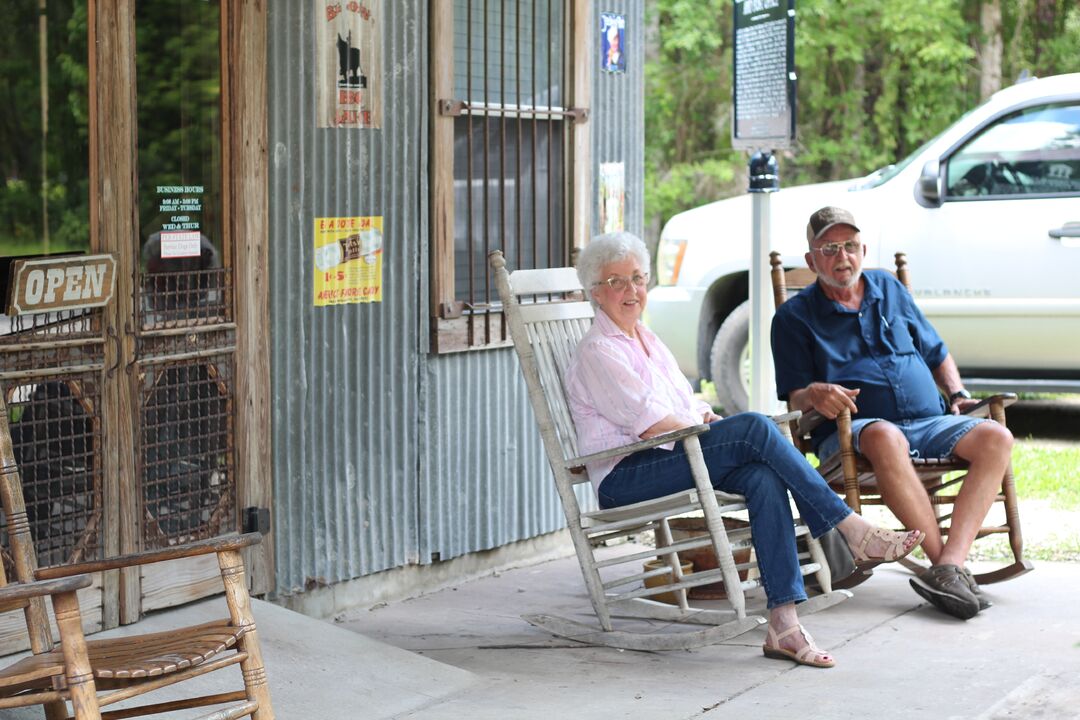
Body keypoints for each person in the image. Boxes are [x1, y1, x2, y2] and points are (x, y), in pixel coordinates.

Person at [564, 231, 922, 668]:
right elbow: (653, 423)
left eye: (637, 278)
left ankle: (783, 624)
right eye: (616, 281)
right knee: (752, 427)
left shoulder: (645, 339)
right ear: (595, 293)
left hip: (668, 453)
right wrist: (712, 427)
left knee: (763, 475)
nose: (631, 290)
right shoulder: (599, 351)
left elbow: (681, 403)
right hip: (626, 475)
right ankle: (850, 529)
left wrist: (706, 417)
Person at [771, 206, 1015, 620]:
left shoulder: (888, 287)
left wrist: (956, 392)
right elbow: (795, 399)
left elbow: (937, 352)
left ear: (862, 249)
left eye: (849, 246)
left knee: (997, 437)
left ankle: (947, 565)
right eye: (829, 248)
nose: (841, 256)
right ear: (811, 260)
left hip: (930, 420)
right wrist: (815, 392)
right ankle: (949, 570)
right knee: (886, 436)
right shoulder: (793, 317)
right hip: (855, 430)